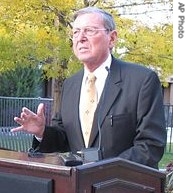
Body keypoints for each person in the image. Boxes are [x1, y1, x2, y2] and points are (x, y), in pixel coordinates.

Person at [11, 6, 167, 169]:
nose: (80, 38)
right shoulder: (70, 85)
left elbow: (150, 145)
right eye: (76, 32)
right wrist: (42, 132)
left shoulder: (141, 80)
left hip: (124, 189)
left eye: (90, 31)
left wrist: (102, 173)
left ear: (112, 38)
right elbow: (64, 138)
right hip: (79, 189)